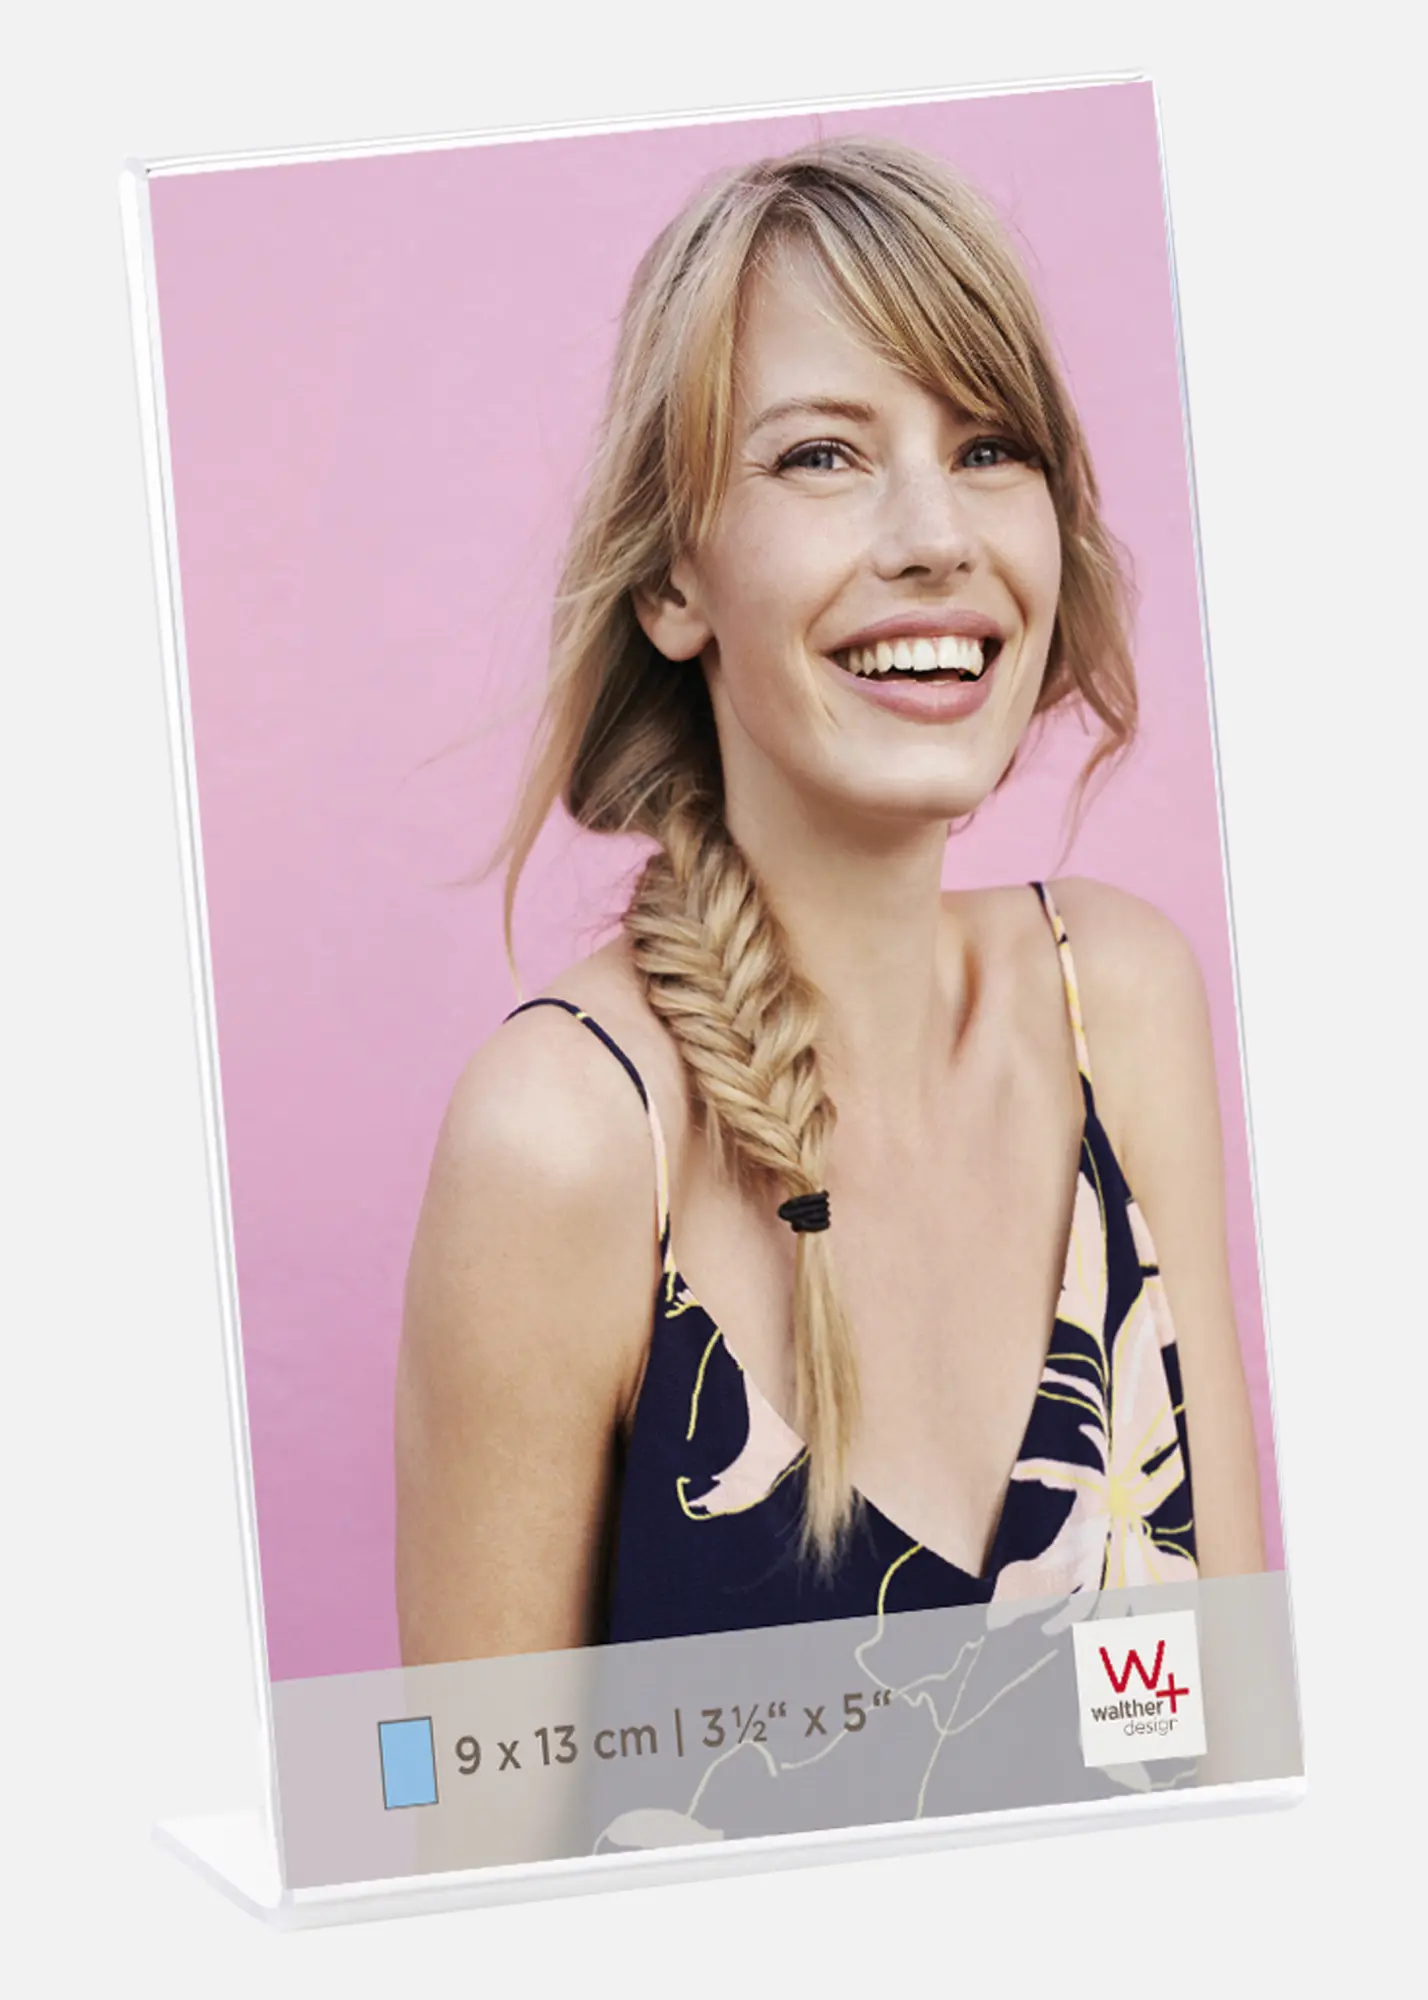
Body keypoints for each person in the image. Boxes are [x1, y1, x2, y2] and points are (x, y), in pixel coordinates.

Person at [394, 136, 1266, 1666]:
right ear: (671, 582)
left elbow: (1245, 1735)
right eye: (822, 456)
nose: (938, 537)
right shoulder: (565, 1141)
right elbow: (458, 1818)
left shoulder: (1117, 1002)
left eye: (990, 448)